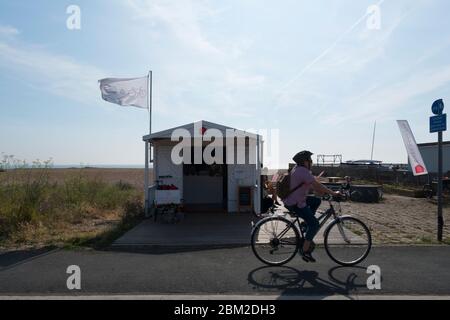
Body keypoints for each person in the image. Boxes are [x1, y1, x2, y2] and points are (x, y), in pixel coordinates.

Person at [283, 150, 341, 263]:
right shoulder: (302, 171)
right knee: (314, 224)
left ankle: (305, 224)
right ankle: (304, 251)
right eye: (310, 160)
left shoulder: (297, 169)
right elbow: (316, 185)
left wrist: (322, 190)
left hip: (294, 200)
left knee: (316, 201)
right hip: (296, 203)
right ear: (304, 162)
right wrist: (333, 193)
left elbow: (312, 184)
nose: (311, 162)